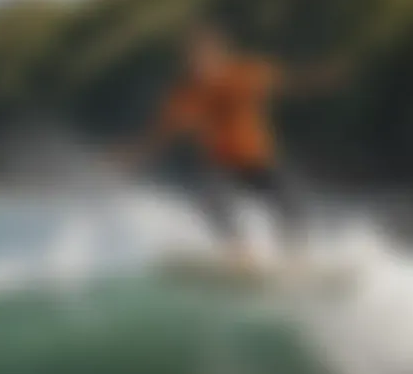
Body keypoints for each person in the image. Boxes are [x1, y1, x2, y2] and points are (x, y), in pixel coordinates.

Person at [114, 23, 341, 265]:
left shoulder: (244, 74)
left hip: (256, 160)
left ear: (219, 53)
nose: (199, 64)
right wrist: (131, 155)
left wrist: (321, 79)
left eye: (204, 57)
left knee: (288, 203)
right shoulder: (189, 92)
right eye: (193, 59)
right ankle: (239, 252)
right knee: (209, 197)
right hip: (222, 165)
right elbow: (161, 132)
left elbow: (289, 83)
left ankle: (296, 257)